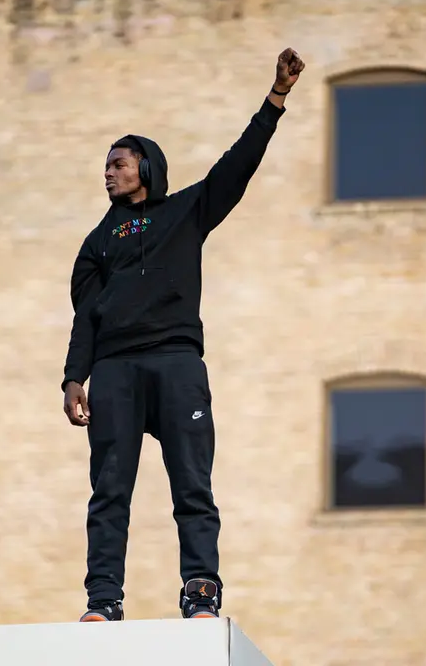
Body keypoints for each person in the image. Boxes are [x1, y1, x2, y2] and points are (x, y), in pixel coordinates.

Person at [61, 48, 306, 622]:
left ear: (146, 167)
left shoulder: (184, 213)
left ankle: (200, 592)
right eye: (106, 164)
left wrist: (275, 98)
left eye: (119, 162)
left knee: (192, 485)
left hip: (176, 363)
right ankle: (103, 601)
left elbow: (236, 166)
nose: (109, 171)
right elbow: (85, 315)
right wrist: (75, 378)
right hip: (117, 370)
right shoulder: (98, 243)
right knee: (109, 492)